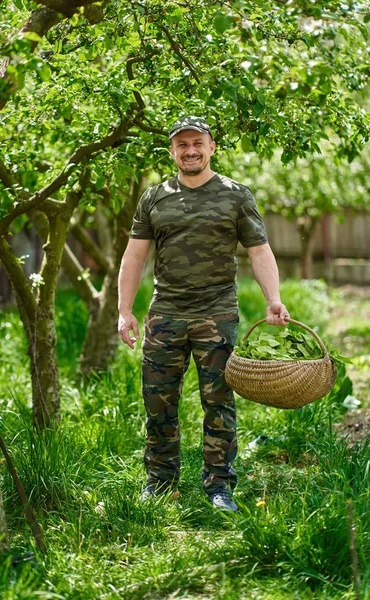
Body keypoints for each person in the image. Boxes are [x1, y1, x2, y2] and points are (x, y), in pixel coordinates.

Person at [118, 116, 289, 513]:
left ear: (212, 147)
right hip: (165, 315)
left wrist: (274, 298)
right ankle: (159, 483)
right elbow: (134, 256)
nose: (190, 150)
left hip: (217, 315)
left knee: (219, 402)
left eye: (198, 143)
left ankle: (220, 487)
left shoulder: (236, 195)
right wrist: (124, 311)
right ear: (172, 151)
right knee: (158, 403)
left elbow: (259, 250)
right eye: (182, 145)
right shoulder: (154, 197)